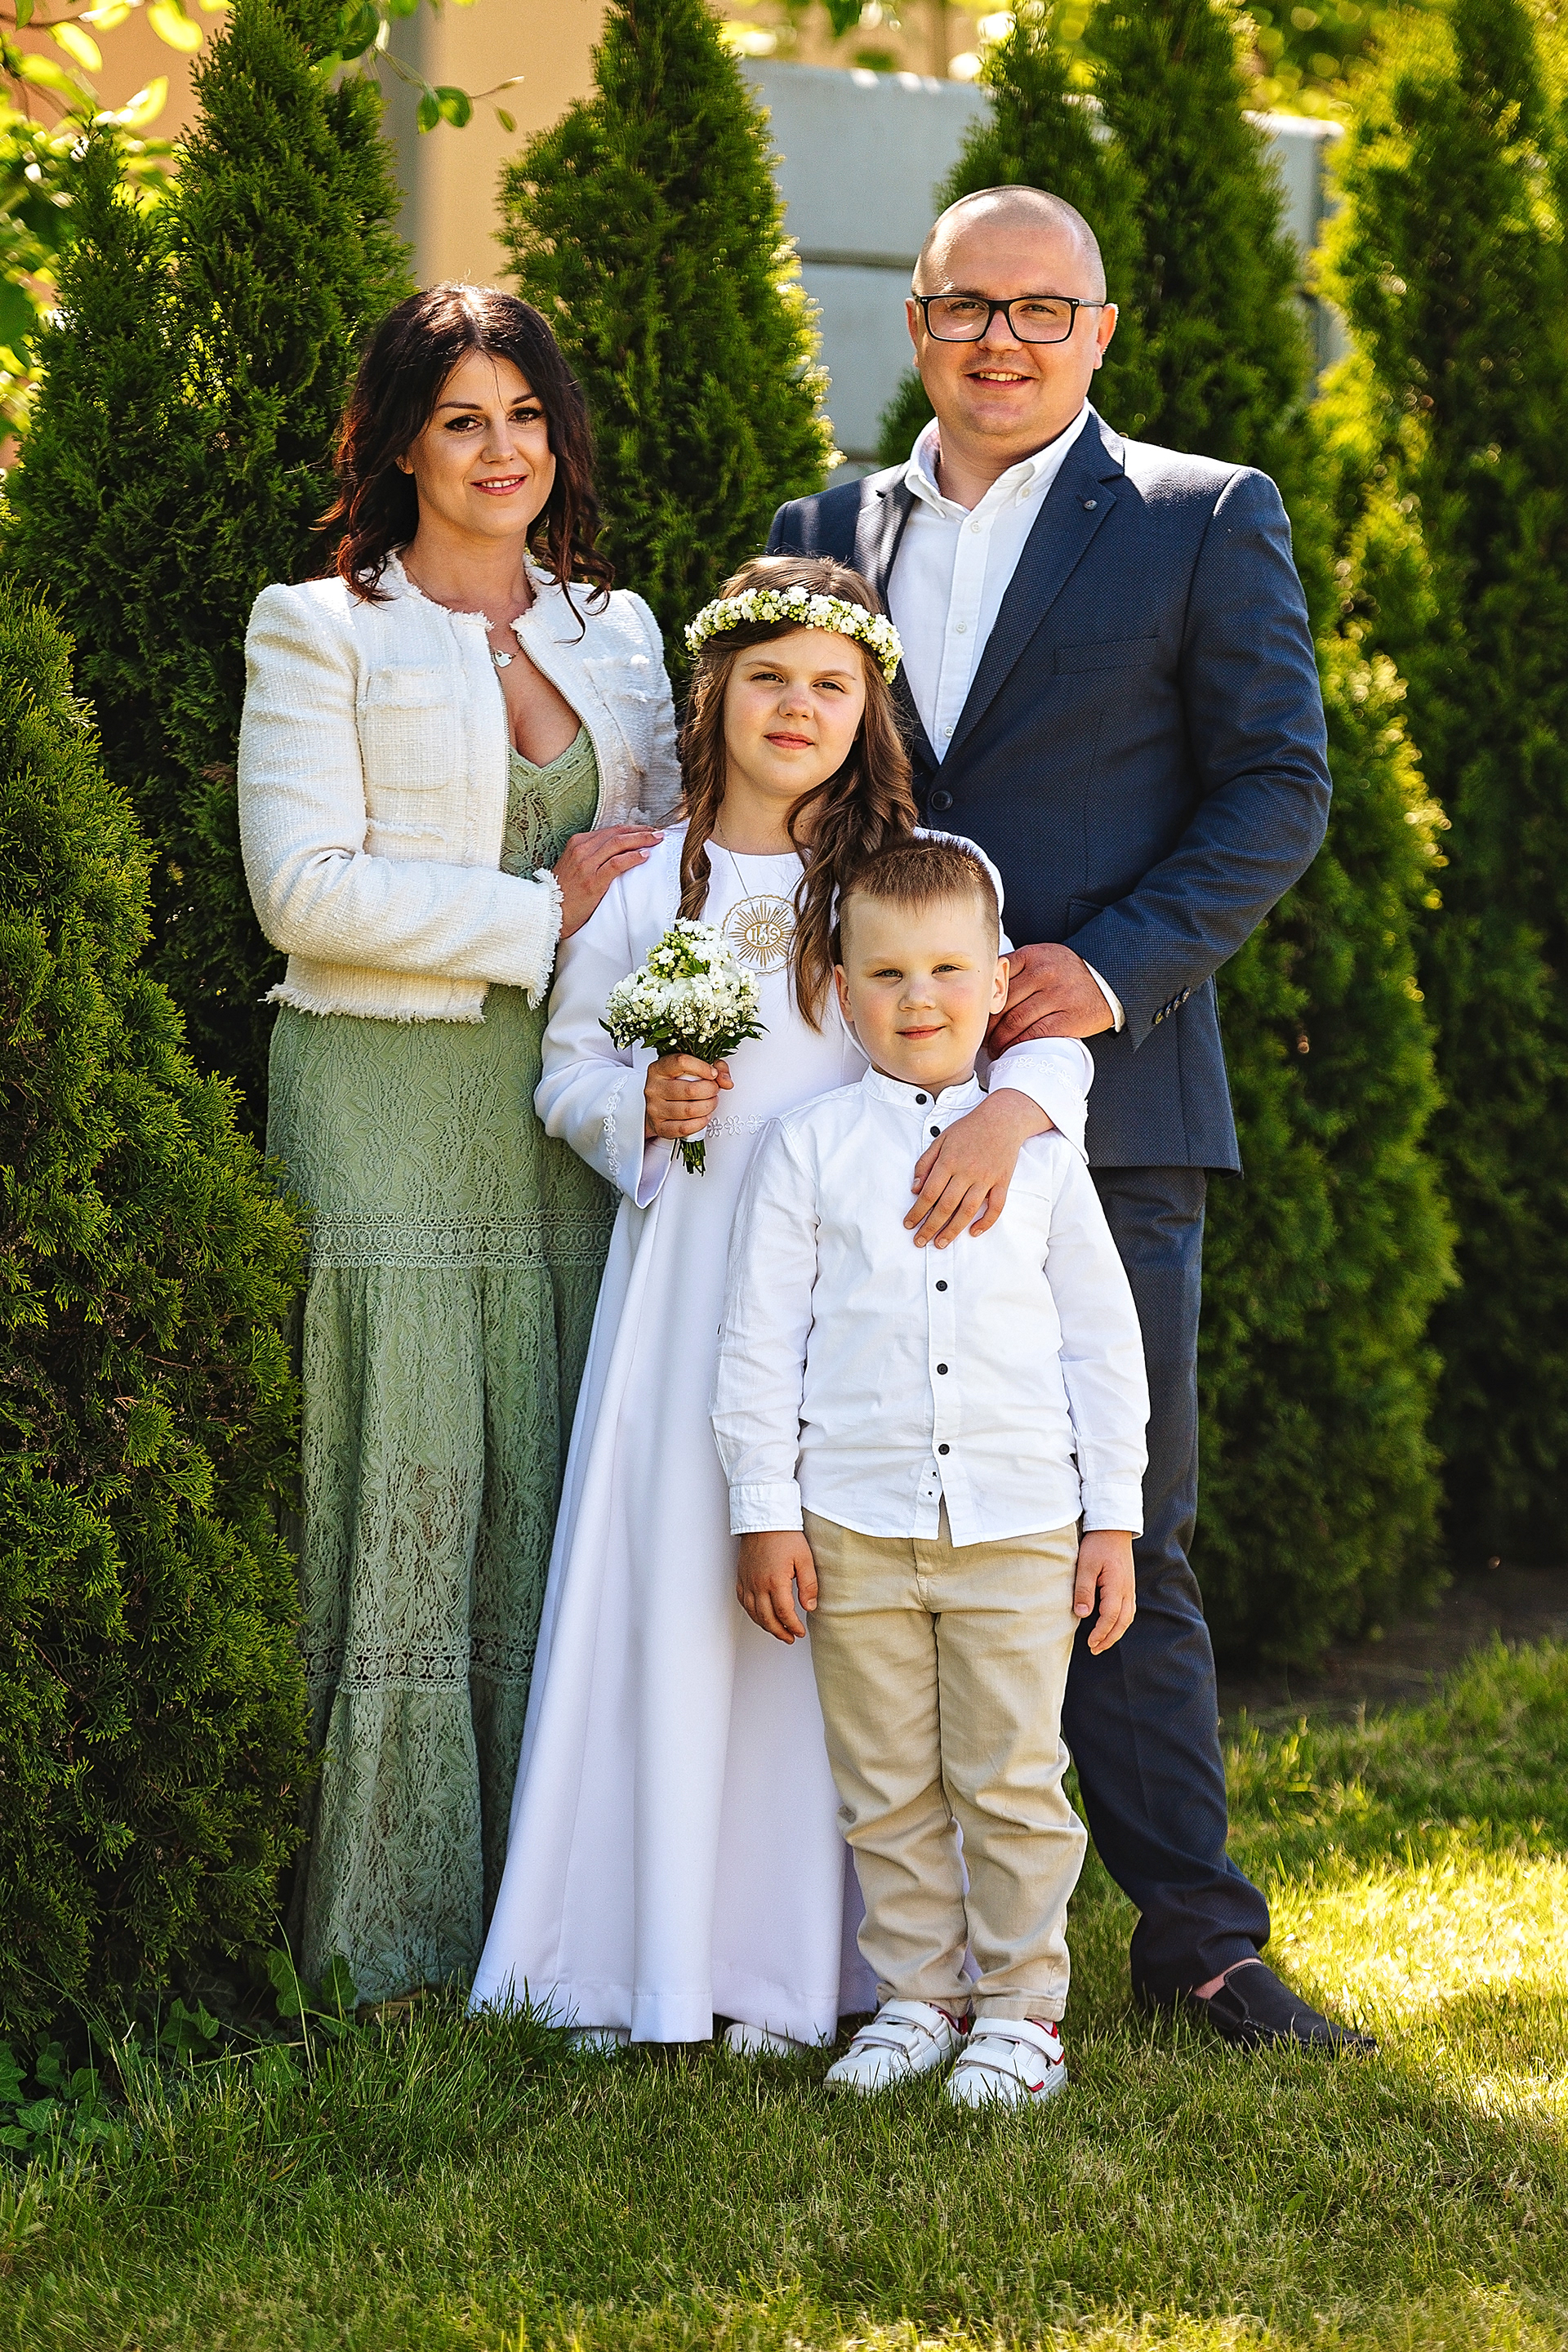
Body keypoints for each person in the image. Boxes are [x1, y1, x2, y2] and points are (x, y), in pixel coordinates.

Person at [768, 186, 1374, 2052]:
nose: (1004, 340)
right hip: (855, 1120)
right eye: (970, 306)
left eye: (1045, 310)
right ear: (918, 323)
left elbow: (1278, 789)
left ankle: (1196, 1941)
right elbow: (770, 770)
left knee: (1124, 1523)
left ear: (1100, 331)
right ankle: (868, 1948)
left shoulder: (1202, 516)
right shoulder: (819, 535)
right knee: (850, 1508)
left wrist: (1103, 975)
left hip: (1111, 1113)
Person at [469, 556, 1089, 2048]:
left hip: (877, 1301)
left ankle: (850, 1972)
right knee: (699, 1596)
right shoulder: (647, 883)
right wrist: (639, 1105)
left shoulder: (912, 874)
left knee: (850, 1626)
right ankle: (671, 1959)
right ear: (714, 697)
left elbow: (1032, 1028)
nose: (797, 708)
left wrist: (1018, 1115)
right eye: (767, 679)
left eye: (830, 684)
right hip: (695, 1292)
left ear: (869, 706)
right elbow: (566, 1070)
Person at [237, 283, 677, 2003]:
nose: (503, 451)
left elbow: (670, 857)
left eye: (527, 416)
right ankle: (389, 1936)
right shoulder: (321, 627)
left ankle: (556, 1924)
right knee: (413, 1468)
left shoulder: (617, 631)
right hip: (387, 1094)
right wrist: (534, 912)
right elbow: (302, 893)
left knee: (552, 1466)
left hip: (570, 1102)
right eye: (463, 420)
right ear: (402, 445)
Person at [714, 837, 1148, 2105]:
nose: (920, 1000)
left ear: (1001, 982)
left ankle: (1023, 2012)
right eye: (888, 974)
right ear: (841, 988)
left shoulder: (1042, 1157)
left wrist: (1112, 1520)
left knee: (1010, 1777)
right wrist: (764, 1513)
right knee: (886, 1781)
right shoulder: (805, 1150)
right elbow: (758, 1344)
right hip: (853, 1520)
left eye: (951, 971)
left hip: (1018, 1520)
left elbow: (1102, 1346)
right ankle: (917, 1997)